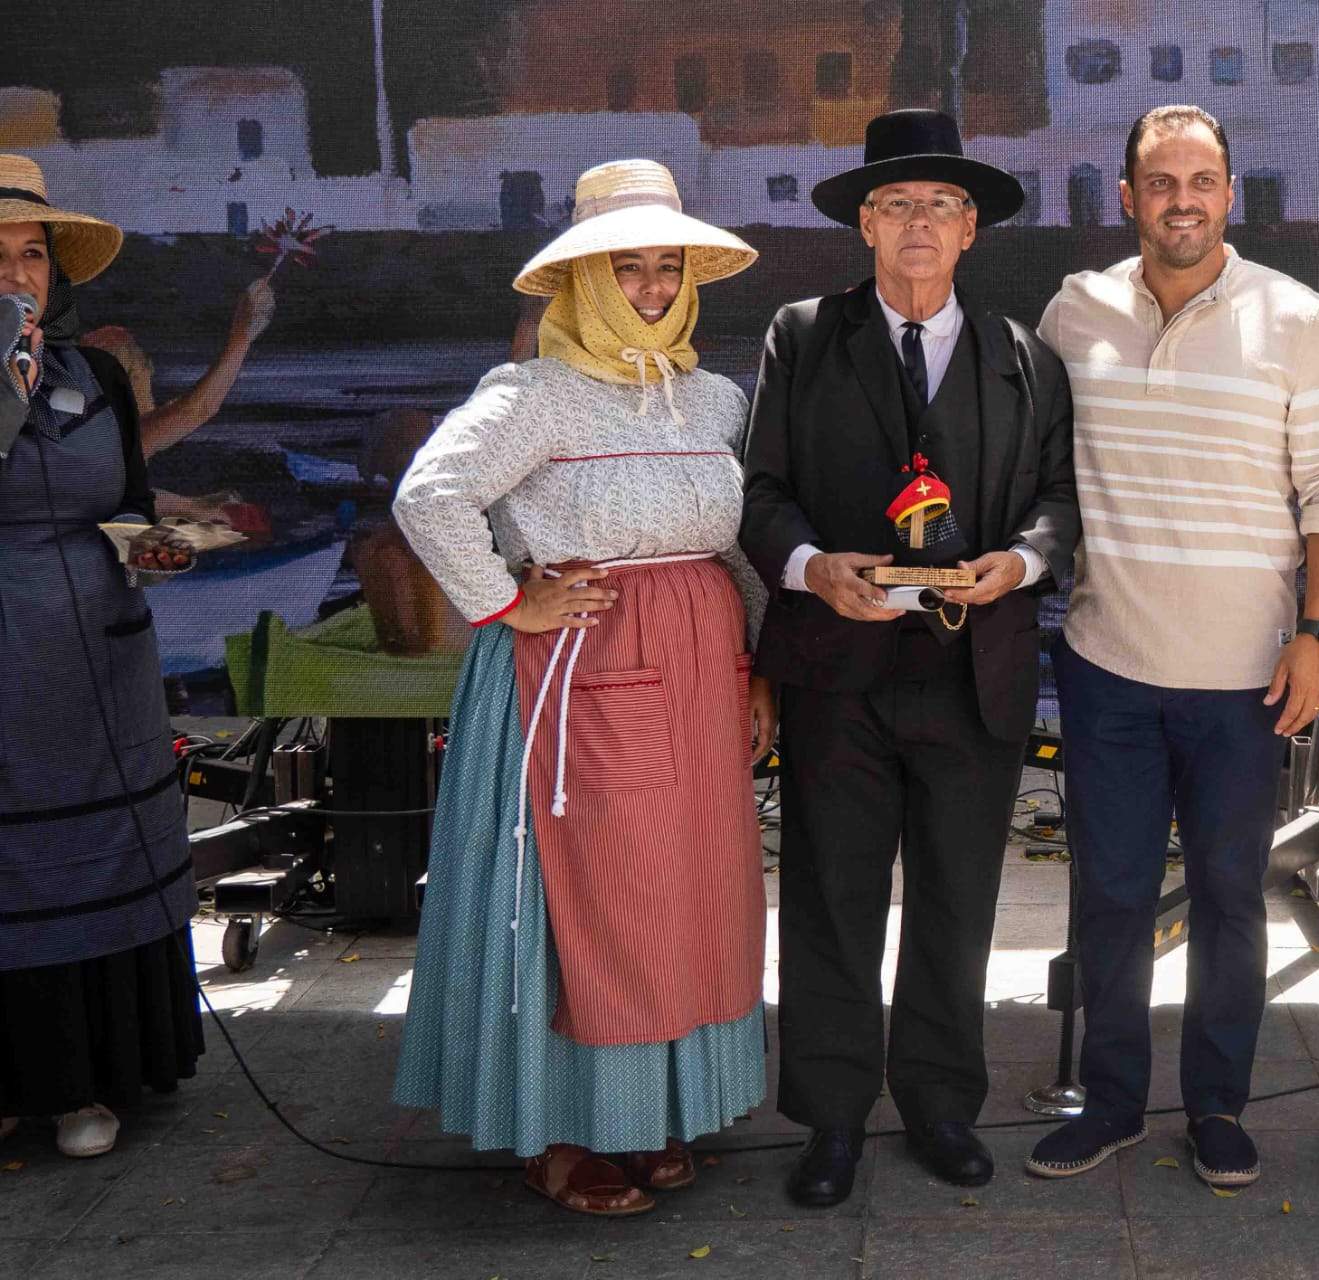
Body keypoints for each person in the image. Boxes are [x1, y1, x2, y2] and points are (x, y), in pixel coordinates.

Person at [390, 159, 773, 1218]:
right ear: (582, 283)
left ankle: (651, 1115)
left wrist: (757, 663)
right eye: (626, 268)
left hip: (697, 675)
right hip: (579, 672)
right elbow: (431, 496)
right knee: (594, 896)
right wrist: (508, 602)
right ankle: (562, 1125)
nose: (650, 286)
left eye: (665, 266)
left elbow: (737, 545)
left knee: (688, 889)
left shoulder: (713, 395)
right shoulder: (534, 394)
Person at [1026, 106, 1319, 1189]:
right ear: (1125, 198)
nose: (1182, 198)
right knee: (1112, 894)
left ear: (1229, 194)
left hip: (1244, 678)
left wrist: (1316, 637)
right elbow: (1034, 475)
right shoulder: (1071, 313)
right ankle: (1113, 1102)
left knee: (1229, 897)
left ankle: (1216, 1105)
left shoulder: (1298, 316)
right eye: (1160, 180)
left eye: (1203, 179)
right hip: (1107, 665)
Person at [741, 108, 1078, 1207]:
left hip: (968, 673)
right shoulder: (801, 334)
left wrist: (1019, 566)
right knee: (832, 901)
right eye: (896, 205)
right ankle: (831, 1117)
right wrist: (804, 566)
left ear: (970, 229)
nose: (918, 223)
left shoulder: (1023, 355)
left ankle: (939, 1104)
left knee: (955, 901)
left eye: (940, 205)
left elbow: (1057, 505)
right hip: (836, 674)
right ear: (865, 228)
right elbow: (757, 492)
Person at [0, 155, 205, 1160]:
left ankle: (91, 1079)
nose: (16, 273)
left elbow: (126, 506)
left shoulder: (95, 380)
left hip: (100, 646)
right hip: (4, 652)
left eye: (32, 253)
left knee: (101, 853)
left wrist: (181, 549)